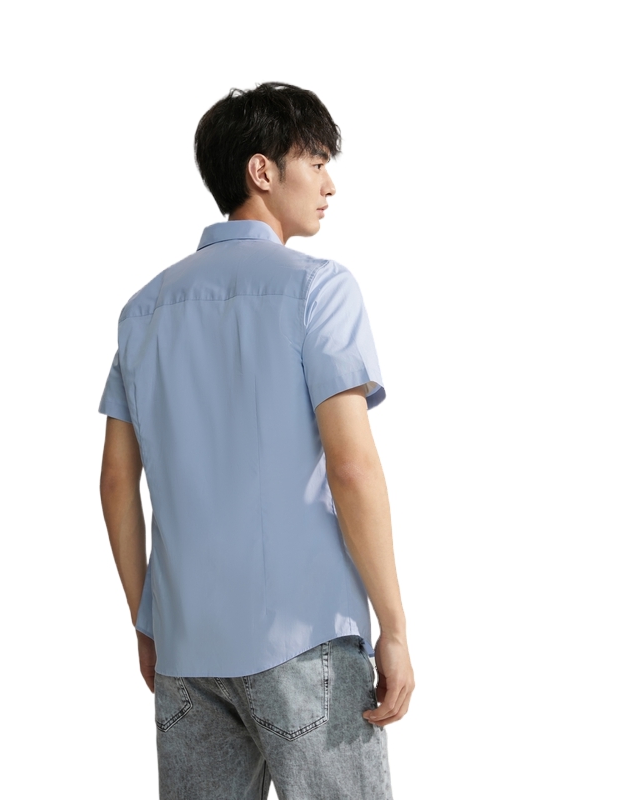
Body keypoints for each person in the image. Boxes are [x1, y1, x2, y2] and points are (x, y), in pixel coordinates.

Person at [98, 82, 414, 800]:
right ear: (262, 171)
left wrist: (149, 622)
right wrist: (393, 627)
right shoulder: (319, 290)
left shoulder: (143, 310)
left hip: (187, 649)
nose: (330, 185)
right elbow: (352, 467)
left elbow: (116, 481)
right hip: (307, 638)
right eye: (317, 162)